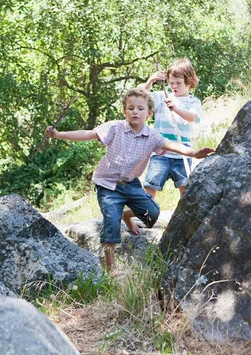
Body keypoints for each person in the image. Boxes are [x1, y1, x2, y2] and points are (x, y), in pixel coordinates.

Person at [45, 88, 213, 273]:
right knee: (111, 223)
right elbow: (88, 134)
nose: (135, 112)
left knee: (152, 214)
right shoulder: (115, 128)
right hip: (107, 185)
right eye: (131, 108)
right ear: (125, 112)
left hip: (131, 184)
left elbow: (173, 145)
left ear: (149, 113)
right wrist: (59, 134)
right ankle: (112, 270)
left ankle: (128, 215)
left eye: (140, 109)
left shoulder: (152, 136)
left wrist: (195, 153)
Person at [122, 58, 202, 227]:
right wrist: (150, 81)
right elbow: (139, 98)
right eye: (171, 82)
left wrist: (176, 108)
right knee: (149, 193)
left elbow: (192, 117)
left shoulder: (193, 101)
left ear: (189, 82)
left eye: (178, 83)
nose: (174, 86)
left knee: (186, 192)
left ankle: (184, 223)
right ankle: (134, 216)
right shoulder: (161, 97)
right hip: (161, 154)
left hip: (182, 154)